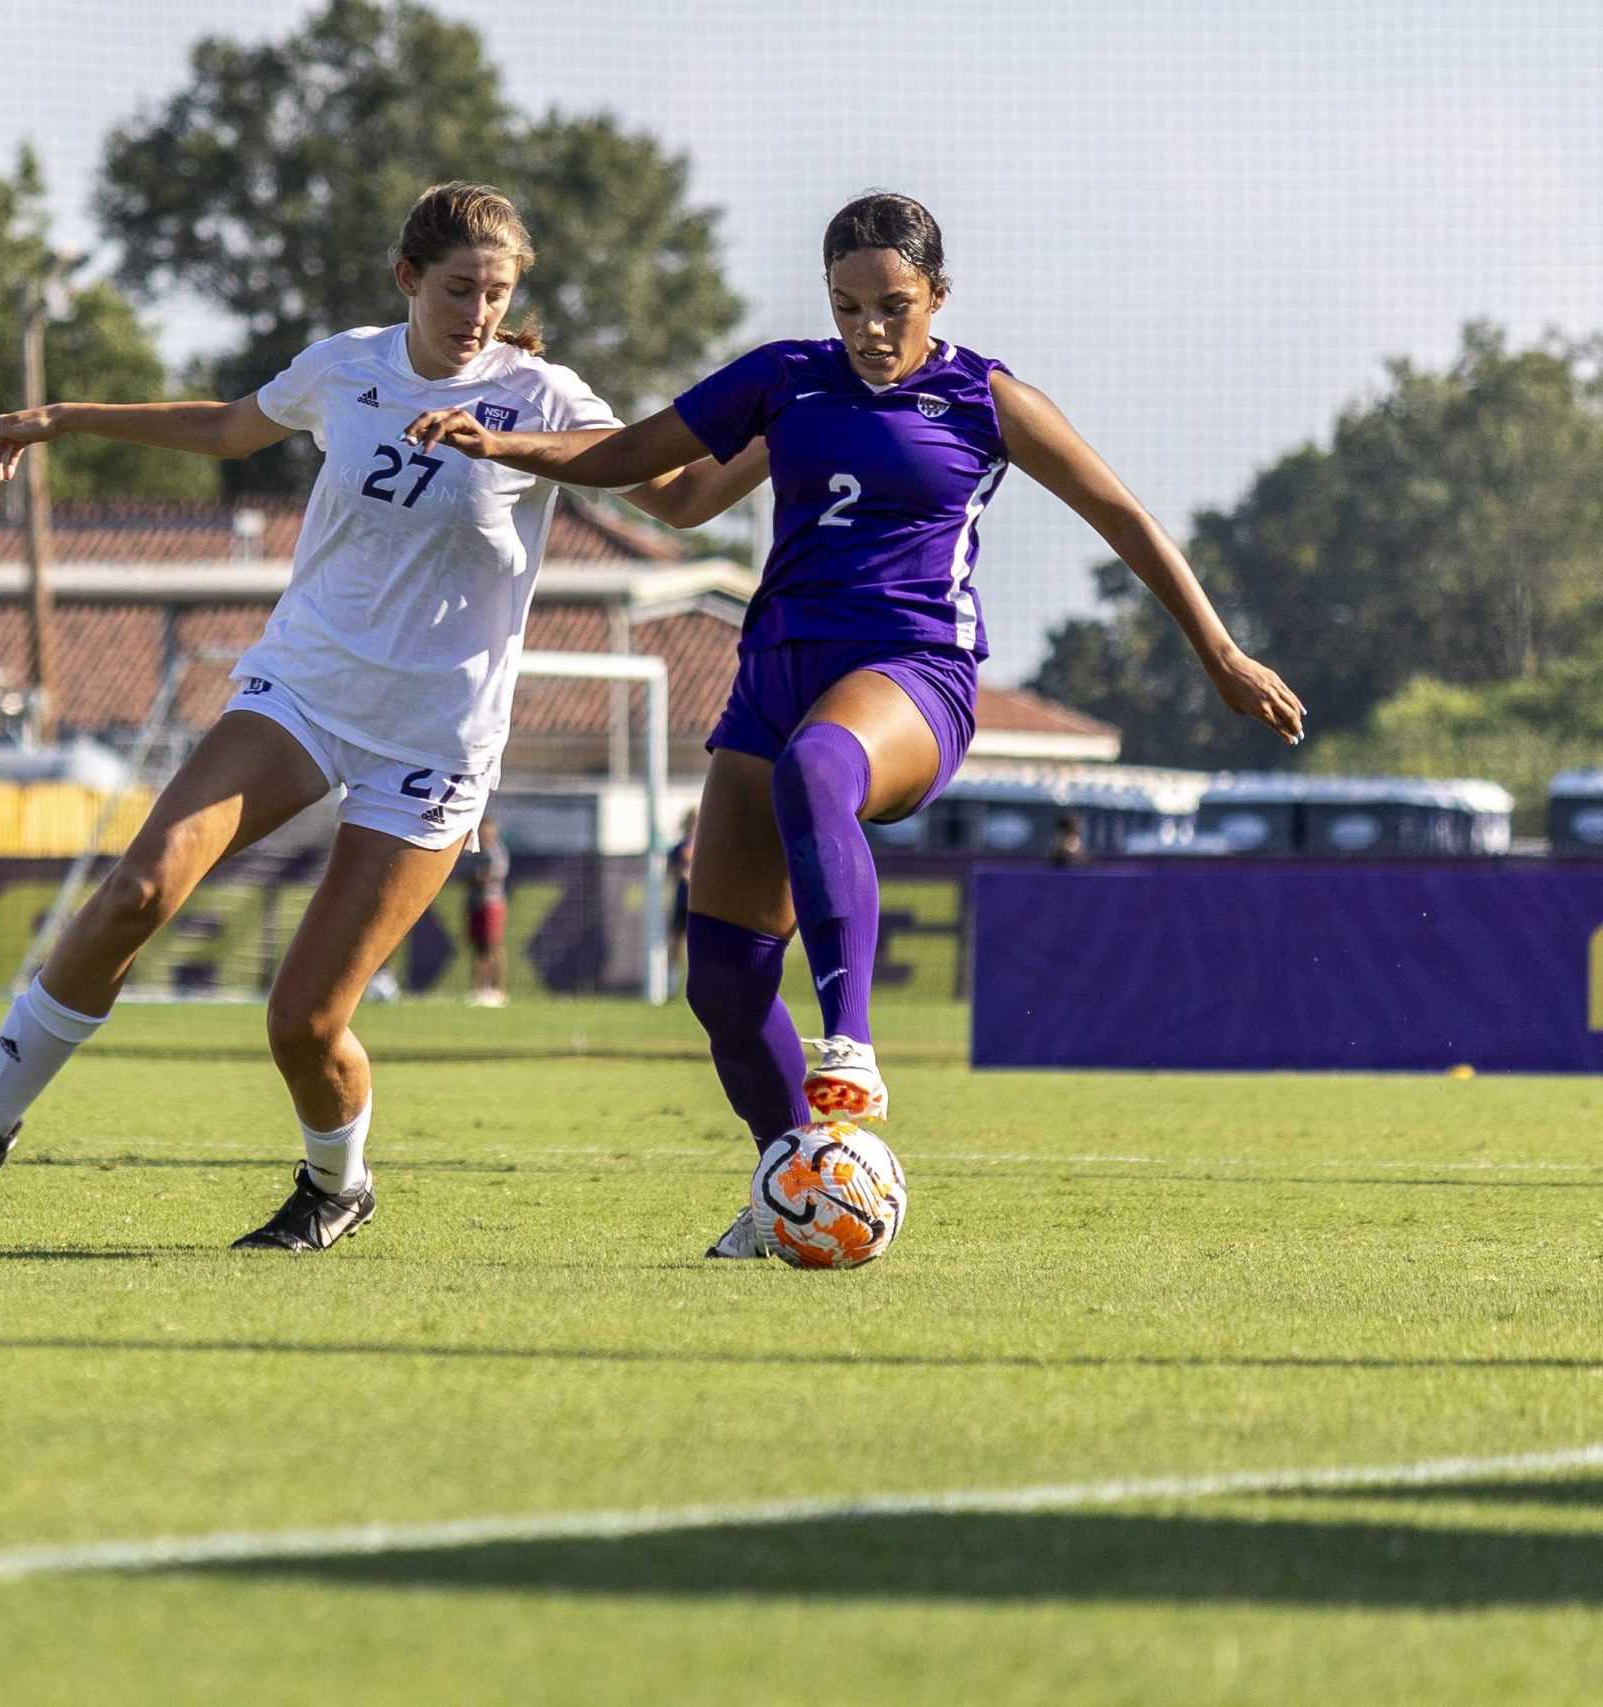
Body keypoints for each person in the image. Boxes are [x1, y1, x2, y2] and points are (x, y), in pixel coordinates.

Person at [0, 181, 763, 1251]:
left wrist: (791, 430)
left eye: (495, 291)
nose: (476, 311)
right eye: (455, 288)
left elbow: (677, 496)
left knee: (302, 1021)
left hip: (433, 739)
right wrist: (66, 415)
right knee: (138, 886)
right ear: (406, 280)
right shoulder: (346, 366)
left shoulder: (544, 396)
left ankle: (335, 1183)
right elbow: (229, 426)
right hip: (304, 690)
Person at [407, 191, 1302, 1255]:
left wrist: (1221, 652)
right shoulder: (785, 380)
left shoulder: (985, 396)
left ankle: (852, 1043)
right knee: (724, 986)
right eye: (847, 307)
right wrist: (505, 441)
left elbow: (1122, 517)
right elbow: (641, 461)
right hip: (775, 668)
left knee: (818, 770)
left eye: (893, 305)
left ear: (937, 295)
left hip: (912, 672)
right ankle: (797, 1181)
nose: (871, 331)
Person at [458, 809, 511, 1007]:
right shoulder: (475, 850)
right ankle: (480, 989)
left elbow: (491, 876)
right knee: (478, 948)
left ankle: (498, 990)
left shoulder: (497, 851)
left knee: (493, 946)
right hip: (474, 903)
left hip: (491, 903)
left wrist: (475, 877)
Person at [665, 808, 697, 979]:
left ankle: (698, 978)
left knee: (698, 942)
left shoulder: (703, 846)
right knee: (675, 940)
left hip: (699, 903)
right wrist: (681, 873)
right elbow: (670, 871)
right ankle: (672, 978)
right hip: (682, 899)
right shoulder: (678, 848)